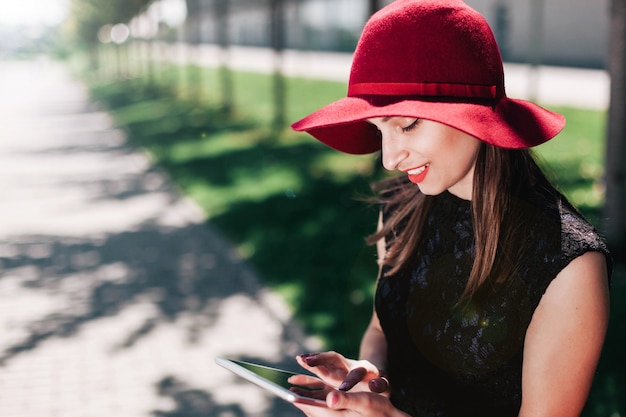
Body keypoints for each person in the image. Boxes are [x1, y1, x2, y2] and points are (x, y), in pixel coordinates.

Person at [289, 0, 612, 416]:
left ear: (475, 116)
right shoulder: (401, 208)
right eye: (378, 129)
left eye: (407, 125)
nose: (389, 159)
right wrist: (371, 375)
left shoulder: (566, 264)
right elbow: (380, 329)